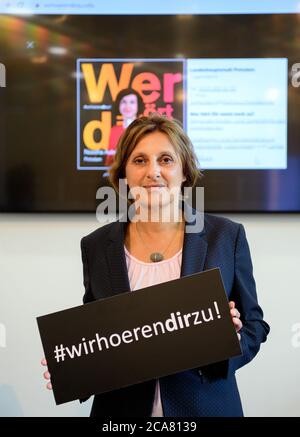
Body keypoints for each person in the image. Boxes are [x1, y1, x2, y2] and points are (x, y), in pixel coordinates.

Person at [42, 114, 270, 417]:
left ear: (184, 170)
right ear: (124, 172)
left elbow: (255, 325)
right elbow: (100, 333)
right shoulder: (96, 246)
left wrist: (230, 341)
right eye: (139, 160)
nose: (153, 172)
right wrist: (74, 369)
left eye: (165, 159)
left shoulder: (226, 237)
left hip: (205, 408)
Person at [104, 88, 144, 167]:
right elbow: (109, 161)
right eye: (124, 102)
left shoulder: (144, 129)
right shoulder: (114, 130)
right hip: (120, 175)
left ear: (138, 105)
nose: (127, 106)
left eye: (132, 102)